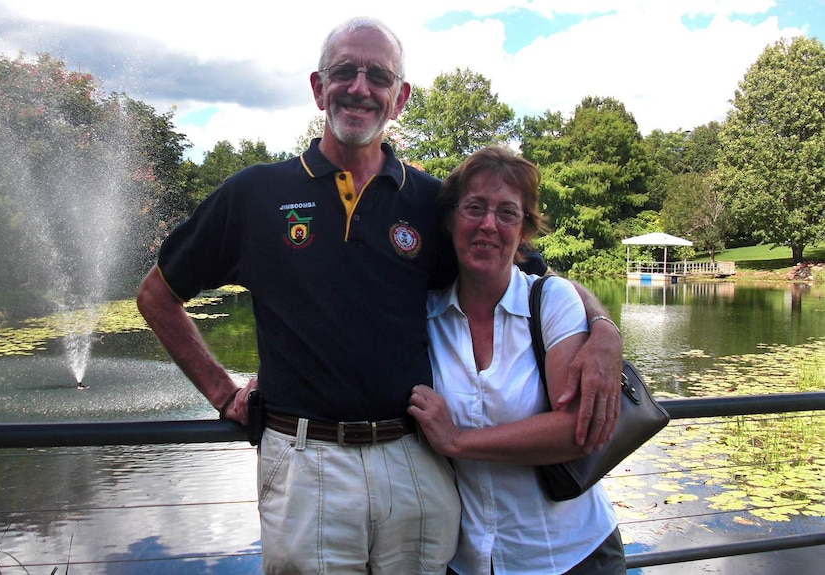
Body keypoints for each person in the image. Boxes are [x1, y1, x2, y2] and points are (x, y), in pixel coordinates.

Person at [137, 17, 621, 574]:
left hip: (414, 460)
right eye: (345, 71)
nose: (360, 87)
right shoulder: (255, 194)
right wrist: (221, 392)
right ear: (319, 88)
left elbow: (538, 277)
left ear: (400, 98)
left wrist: (604, 333)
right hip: (305, 462)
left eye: (379, 76)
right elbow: (156, 295)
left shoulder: (435, 204)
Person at [408, 147, 626, 575]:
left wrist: (456, 441)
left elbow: (575, 430)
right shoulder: (425, 316)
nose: (488, 224)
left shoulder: (551, 301)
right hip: (470, 561)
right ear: (451, 219)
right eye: (474, 208)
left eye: (508, 212)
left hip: (571, 555)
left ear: (524, 229)